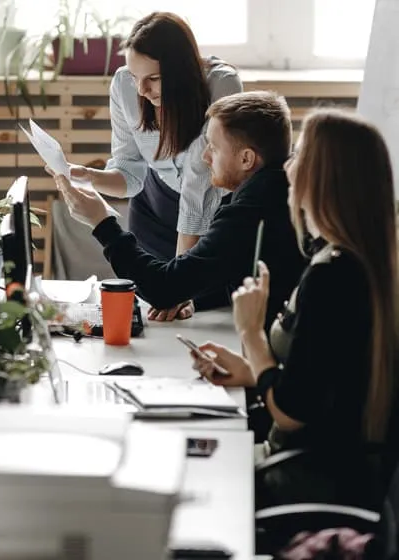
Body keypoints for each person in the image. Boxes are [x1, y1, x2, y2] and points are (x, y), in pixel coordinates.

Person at [190, 109, 399, 511]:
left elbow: (291, 413)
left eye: (300, 155)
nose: (288, 166)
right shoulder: (350, 263)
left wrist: (251, 333)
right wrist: (250, 369)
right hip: (318, 473)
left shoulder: (332, 276)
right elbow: (325, 385)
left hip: (299, 483)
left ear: (324, 177)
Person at [52, 91, 306, 331]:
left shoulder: (251, 210)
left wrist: (101, 222)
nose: (205, 157)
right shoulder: (278, 190)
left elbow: (163, 288)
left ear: (246, 159)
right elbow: (225, 270)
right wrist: (190, 294)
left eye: (213, 147)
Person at [68, 12, 242, 320]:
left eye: (153, 79)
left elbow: (199, 181)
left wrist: (179, 284)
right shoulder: (124, 84)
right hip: (154, 211)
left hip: (211, 213)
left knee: (208, 308)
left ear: (181, 71)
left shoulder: (221, 83)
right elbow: (130, 175)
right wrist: (88, 178)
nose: (141, 90)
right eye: (135, 77)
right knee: (155, 306)